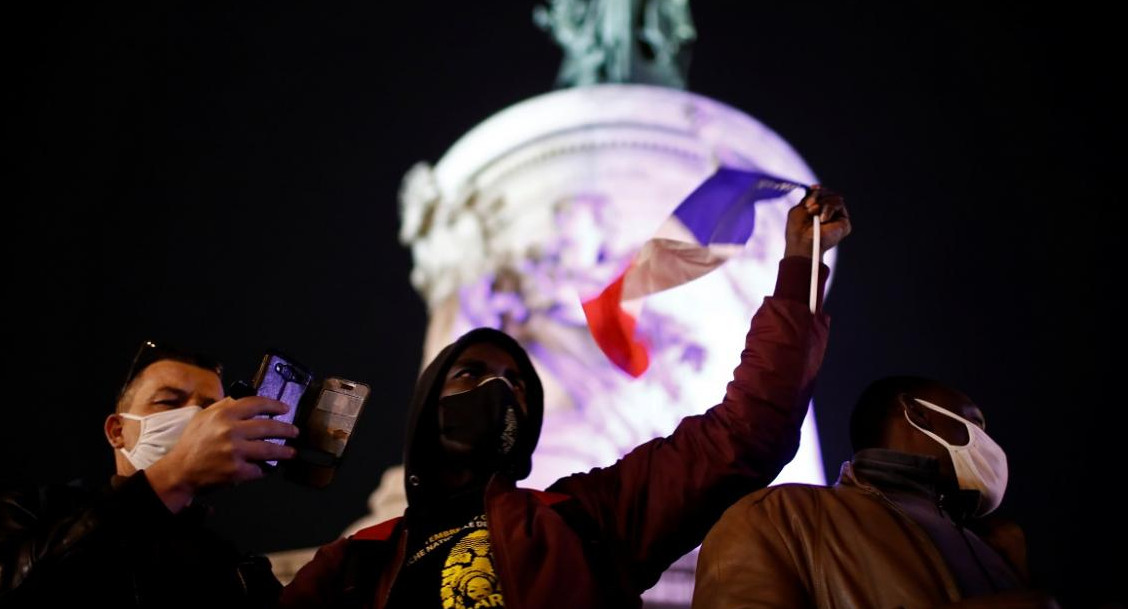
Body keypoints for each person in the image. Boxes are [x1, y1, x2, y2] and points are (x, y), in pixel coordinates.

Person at [278, 185, 852, 609]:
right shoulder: (355, 561)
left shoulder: (589, 517)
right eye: (469, 374)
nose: (496, 389)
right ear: (427, 406)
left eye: (516, 386)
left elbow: (746, 432)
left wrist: (801, 266)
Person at [691, 375, 1062, 609]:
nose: (987, 443)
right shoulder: (779, 519)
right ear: (917, 414)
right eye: (975, 423)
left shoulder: (996, 545)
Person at [0, 339, 301, 608]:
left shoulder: (231, 563)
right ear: (117, 431)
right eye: (169, 402)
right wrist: (171, 478)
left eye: (210, 410)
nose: (194, 418)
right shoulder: (30, 511)